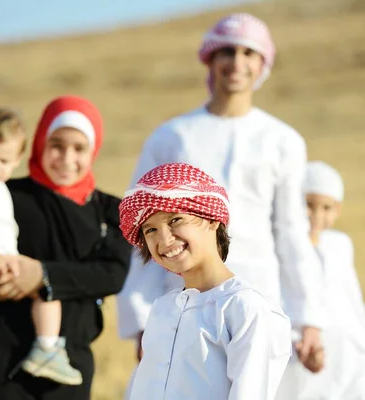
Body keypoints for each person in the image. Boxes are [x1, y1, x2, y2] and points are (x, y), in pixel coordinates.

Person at [117, 12, 325, 384]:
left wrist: (308, 317)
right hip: (183, 300)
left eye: (250, 52)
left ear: (263, 64)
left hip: (262, 297)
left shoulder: (283, 140)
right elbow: (144, 226)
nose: (238, 62)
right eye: (227, 50)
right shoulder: (171, 137)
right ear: (210, 58)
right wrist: (140, 319)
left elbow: (291, 232)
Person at [0, 95, 131, 400]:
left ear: (94, 150)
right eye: (57, 145)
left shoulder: (108, 211)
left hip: (67, 366)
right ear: (39, 144)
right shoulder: (4, 192)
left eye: (79, 148)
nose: (66, 158)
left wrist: (42, 275)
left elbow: (112, 273)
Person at [119, 162, 292, 400]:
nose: (165, 239)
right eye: (150, 230)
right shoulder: (162, 309)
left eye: (175, 220)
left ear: (211, 219)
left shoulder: (245, 308)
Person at [0, 108, 82, 385]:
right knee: (46, 287)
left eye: (3, 161)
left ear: (18, 158)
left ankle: (47, 348)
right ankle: (47, 349)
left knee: (44, 288)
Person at [277, 161, 365, 399]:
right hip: (309, 353)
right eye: (308, 205)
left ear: (338, 209)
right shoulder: (282, 247)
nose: (317, 215)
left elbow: (353, 296)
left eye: (326, 208)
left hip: (353, 350)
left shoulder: (339, 244)